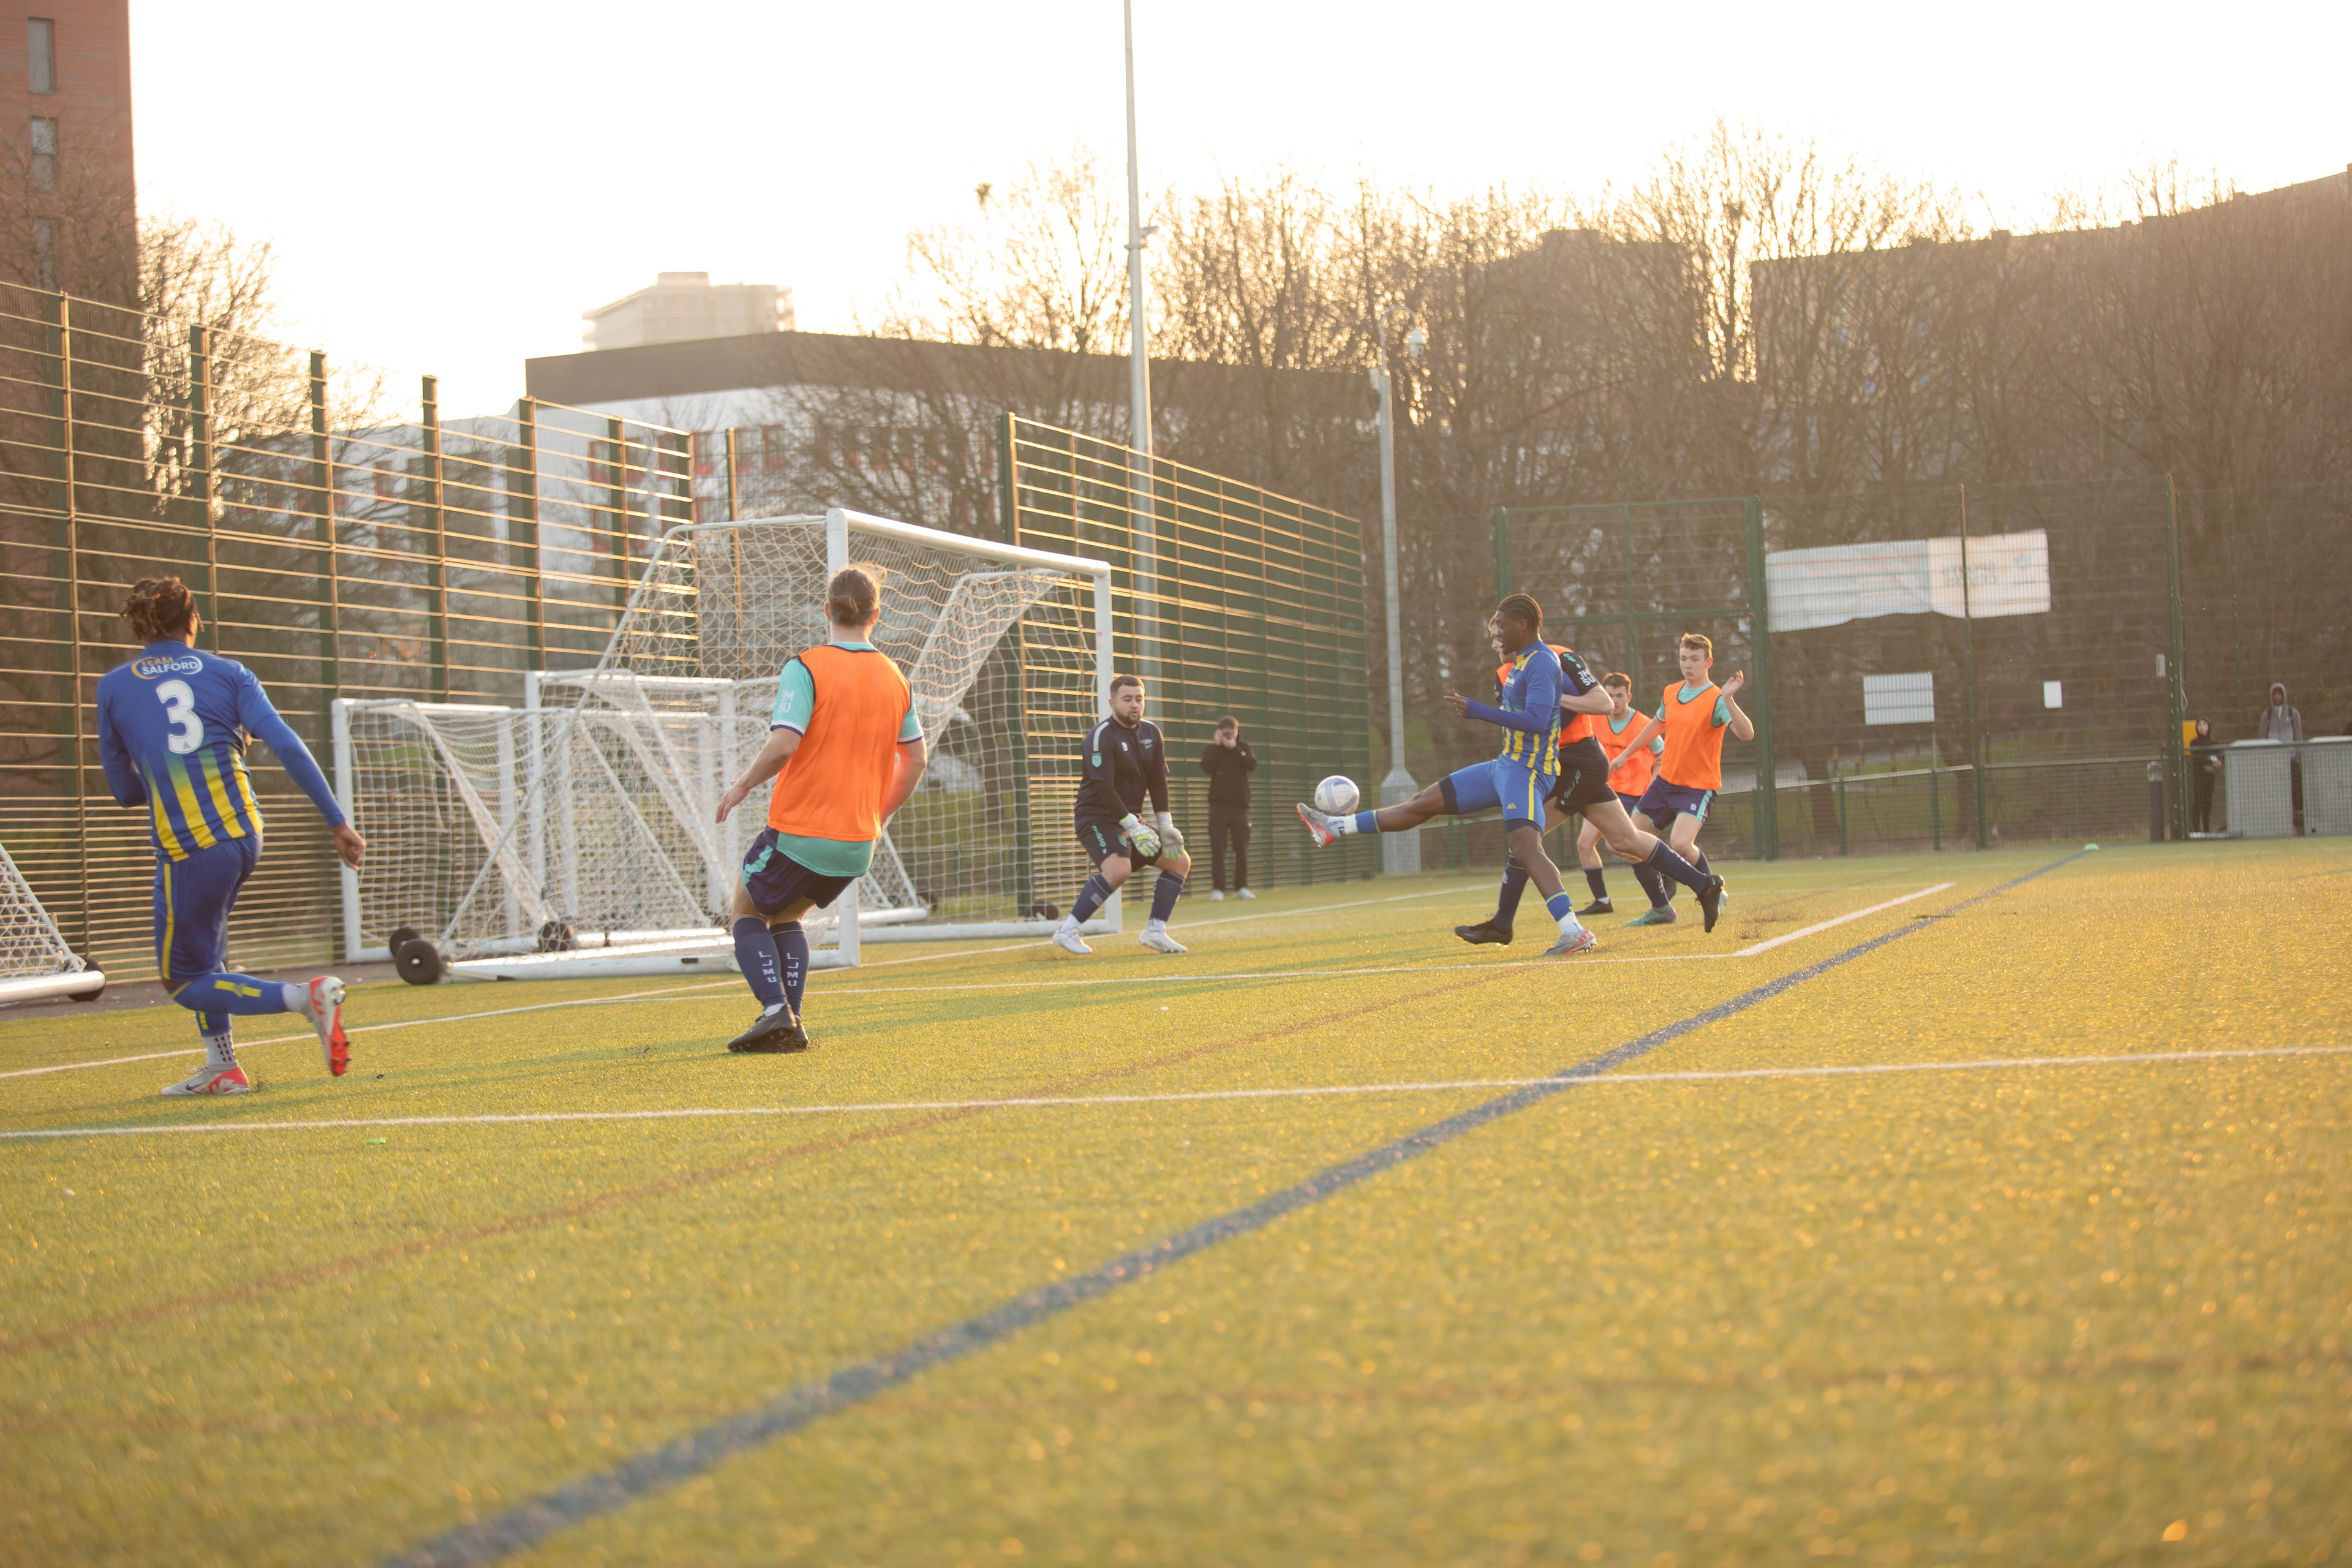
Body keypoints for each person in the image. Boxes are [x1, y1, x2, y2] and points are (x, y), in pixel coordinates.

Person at [94, 576, 364, 1096]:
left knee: (183, 981)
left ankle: (305, 998)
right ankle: (223, 1067)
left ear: (138, 627)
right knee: (207, 952)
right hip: (246, 832)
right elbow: (285, 743)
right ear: (193, 620)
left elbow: (124, 793)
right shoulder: (231, 673)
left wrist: (160, 769)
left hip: (191, 846)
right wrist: (336, 820)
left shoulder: (114, 686)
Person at [713, 566, 927, 1052]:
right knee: (787, 916)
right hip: (856, 844)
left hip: (802, 828)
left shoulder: (806, 666)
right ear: (877, 615)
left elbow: (784, 743)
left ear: (827, 609)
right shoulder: (897, 679)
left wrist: (743, 784)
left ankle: (774, 1011)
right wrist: (878, 817)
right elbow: (915, 760)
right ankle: (792, 1022)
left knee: (746, 910)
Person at [1610, 633, 1753, 927]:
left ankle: (1713, 890)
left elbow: (1747, 734)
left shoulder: (1717, 699)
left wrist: (1728, 697)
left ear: (1708, 662)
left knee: (1680, 844)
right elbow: (1655, 727)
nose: (1688, 665)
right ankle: (1662, 907)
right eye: (1684, 659)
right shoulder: (1671, 692)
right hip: (1664, 784)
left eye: (1695, 660)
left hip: (1698, 786)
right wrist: (1626, 755)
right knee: (1627, 843)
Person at [1053, 675, 1191, 955]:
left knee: (1179, 861)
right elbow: (1103, 789)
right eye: (1128, 699)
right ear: (1112, 702)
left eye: (1139, 699)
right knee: (1119, 870)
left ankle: (1155, 931)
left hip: (1132, 819)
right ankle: (1067, 931)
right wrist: (1133, 826)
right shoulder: (1101, 737)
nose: (1134, 705)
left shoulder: (1152, 733)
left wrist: (1165, 825)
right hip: (1097, 817)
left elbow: (1157, 781)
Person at [1197, 715, 1257, 902]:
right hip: (1218, 807)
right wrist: (1217, 746)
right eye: (1225, 732)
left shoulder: (1244, 748)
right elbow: (1206, 767)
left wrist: (1235, 748)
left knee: (1241, 849)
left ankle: (1241, 886)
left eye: (1232, 732)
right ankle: (1218, 889)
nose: (1229, 735)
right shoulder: (1213, 750)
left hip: (1240, 807)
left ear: (1237, 732)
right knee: (1218, 849)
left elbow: (1252, 764)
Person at [2256, 683, 2305, 834]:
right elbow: (2262, 738)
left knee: (2295, 793)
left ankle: (2297, 825)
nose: (2277, 697)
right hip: (2274, 763)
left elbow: (2298, 736)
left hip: (2291, 760)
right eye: (2275, 695)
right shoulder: (2267, 716)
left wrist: (2297, 755)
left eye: (2280, 694)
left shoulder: (2292, 714)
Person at [2188, 717, 2223, 835]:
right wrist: (2210, 762)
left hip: (2209, 778)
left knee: (2208, 803)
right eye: (2200, 725)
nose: (2202, 727)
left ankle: (2206, 829)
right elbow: (2198, 758)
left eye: (2204, 724)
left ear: (2209, 727)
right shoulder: (2194, 743)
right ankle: (2195, 829)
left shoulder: (2214, 743)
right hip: (2199, 777)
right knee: (2198, 802)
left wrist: (2219, 762)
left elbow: (2220, 755)